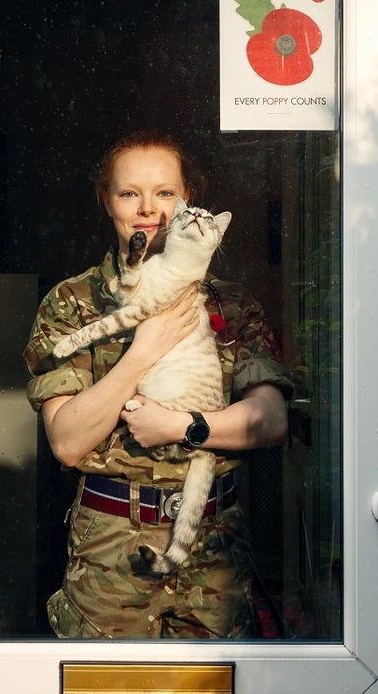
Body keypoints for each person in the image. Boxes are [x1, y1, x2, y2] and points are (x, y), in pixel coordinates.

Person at [23, 132, 293, 639]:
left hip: (213, 542)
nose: (149, 209)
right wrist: (143, 349)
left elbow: (271, 420)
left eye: (165, 193)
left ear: (187, 197)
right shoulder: (73, 302)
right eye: (129, 193)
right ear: (106, 199)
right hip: (111, 552)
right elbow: (67, 440)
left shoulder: (230, 305)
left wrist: (181, 426)